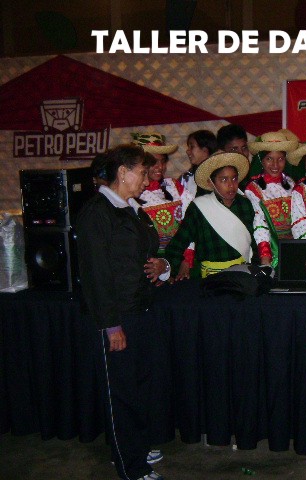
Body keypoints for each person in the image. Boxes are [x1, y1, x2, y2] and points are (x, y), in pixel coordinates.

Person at [76, 144, 171, 480]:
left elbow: (150, 255)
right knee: (122, 394)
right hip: (117, 317)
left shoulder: (133, 210)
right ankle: (130, 465)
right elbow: (96, 276)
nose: (147, 180)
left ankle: (138, 446)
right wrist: (111, 325)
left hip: (141, 310)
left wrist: (163, 266)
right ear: (122, 172)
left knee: (141, 387)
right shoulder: (97, 213)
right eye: (142, 173)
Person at [165, 151, 268, 278]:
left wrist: (257, 268)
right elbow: (178, 243)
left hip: (242, 274)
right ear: (211, 182)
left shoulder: (246, 204)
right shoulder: (199, 207)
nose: (231, 185)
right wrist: (169, 270)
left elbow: (256, 240)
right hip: (211, 277)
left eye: (234, 178)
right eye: (224, 179)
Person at [131, 133, 195, 256]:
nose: (160, 167)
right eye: (154, 162)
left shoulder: (173, 186)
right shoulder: (131, 193)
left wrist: (188, 254)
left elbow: (191, 220)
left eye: (162, 161)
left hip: (179, 256)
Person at [244, 131, 298, 265]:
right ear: (261, 160)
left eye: (280, 159)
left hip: (293, 248)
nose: (275, 165)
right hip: (268, 250)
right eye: (269, 159)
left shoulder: (292, 184)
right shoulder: (253, 189)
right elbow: (259, 224)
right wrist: (265, 256)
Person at [181, 129, 217, 197]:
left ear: (205, 150)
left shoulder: (218, 176)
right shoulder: (186, 177)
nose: (187, 151)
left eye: (192, 147)